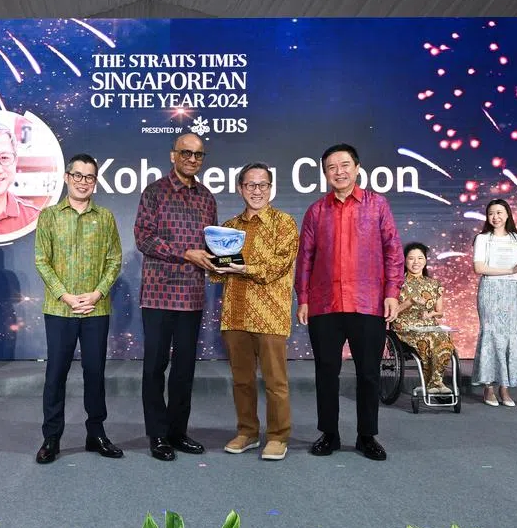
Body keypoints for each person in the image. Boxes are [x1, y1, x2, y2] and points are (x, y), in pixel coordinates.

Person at [295, 144, 401, 461]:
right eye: (331, 167)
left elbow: (393, 251)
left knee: (368, 373)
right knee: (326, 371)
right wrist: (303, 298)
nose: (339, 172)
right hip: (324, 304)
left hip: (367, 303)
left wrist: (392, 292)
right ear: (325, 173)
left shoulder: (377, 205)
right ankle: (329, 434)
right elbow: (305, 259)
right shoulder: (316, 211)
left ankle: (366, 436)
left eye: (344, 165)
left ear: (357, 168)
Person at [33, 154, 124, 463]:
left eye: (90, 177)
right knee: (55, 373)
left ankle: (96, 433)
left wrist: (98, 293)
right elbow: (41, 260)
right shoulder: (49, 216)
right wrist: (66, 296)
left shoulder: (106, 217)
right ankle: (51, 438)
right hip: (60, 309)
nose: (84, 182)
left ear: (95, 182)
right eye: (78, 175)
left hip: (96, 310)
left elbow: (114, 259)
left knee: (95, 373)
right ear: (67, 178)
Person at [134, 133, 217, 461]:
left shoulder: (207, 198)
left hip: (192, 296)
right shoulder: (154, 192)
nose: (192, 159)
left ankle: (177, 431)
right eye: (186, 153)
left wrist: (219, 261)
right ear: (173, 156)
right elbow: (144, 238)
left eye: (198, 155)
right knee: (155, 368)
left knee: (184, 370)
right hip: (157, 295)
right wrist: (186, 254)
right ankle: (157, 435)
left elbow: (209, 246)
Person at [210, 163, 299, 461]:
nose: (256, 190)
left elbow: (278, 266)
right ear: (240, 188)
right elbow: (219, 273)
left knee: (276, 382)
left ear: (271, 188)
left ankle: (277, 436)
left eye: (262, 185)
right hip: (235, 313)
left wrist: (244, 267)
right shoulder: (229, 227)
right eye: (250, 185)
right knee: (242, 380)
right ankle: (247, 432)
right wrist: (213, 262)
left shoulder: (284, 223)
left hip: (270, 315)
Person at [472, 199, 517, 407]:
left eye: (500, 212)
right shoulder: (483, 239)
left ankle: (505, 387)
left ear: (508, 214)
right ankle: (489, 388)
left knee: (512, 334)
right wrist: (511, 270)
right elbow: (479, 268)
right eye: (491, 213)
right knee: (491, 335)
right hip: (491, 290)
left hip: (513, 290)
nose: (496, 217)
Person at [393, 242, 457, 396]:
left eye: (420, 258)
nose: (416, 262)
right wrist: (410, 302)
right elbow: (392, 312)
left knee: (444, 337)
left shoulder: (434, 284)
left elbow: (439, 312)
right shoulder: (397, 283)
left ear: (425, 260)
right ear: (405, 261)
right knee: (429, 338)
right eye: (411, 259)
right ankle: (434, 383)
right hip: (405, 325)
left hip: (428, 325)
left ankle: (435, 382)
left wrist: (431, 315)